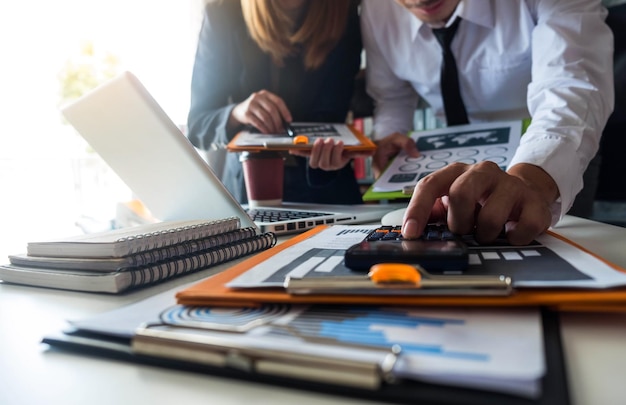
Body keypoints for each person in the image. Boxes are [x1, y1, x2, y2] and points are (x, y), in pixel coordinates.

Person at [361, 0, 614, 244]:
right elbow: (393, 96)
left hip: (549, 160)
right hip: (450, 162)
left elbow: (571, 87)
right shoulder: (376, 8)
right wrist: (389, 135)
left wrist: (529, 180)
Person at [187, 0, 368, 205]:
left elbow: (333, 112)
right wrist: (237, 112)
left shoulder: (342, 10)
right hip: (248, 189)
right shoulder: (223, 12)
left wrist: (331, 152)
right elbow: (198, 126)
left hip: (325, 187)